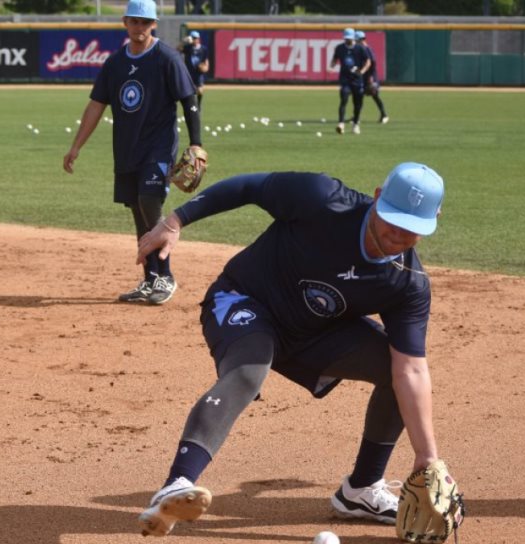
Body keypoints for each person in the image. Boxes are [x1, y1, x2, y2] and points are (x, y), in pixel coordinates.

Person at [133, 163, 453, 538]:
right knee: (249, 370)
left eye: (412, 227)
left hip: (315, 333)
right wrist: (174, 222)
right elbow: (248, 185)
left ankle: (362, 489)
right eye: (392, 219)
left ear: (434, 220)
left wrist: (426, 457)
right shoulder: (322, 199)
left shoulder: (408, 283)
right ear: (379, 197)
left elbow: (411, 370)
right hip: (246, 301)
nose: (398, 233)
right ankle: (177, 484)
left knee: (393, 371)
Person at [63, 0, 204, 305]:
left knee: (149, 201)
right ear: (125, 23)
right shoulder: (114, 64)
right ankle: (150, 278)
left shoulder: (166, 57)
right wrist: (76, 147)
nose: (139, 28)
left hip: (159, 145)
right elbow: (96, 106)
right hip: (127, 149)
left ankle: (166, 275)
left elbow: (189, 99)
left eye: (145, 22)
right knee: (138, 212)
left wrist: (196, 143)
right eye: (134, 22)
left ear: (153, 24)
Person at [330, 28, 371, 136]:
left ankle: (356, 124)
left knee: (357, 104)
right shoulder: (340, 48)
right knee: (343, 99)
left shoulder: (360, 48)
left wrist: (362, 71)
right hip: (345, 79)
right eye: (346, 38)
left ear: (353, 38)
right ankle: (341, 124)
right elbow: (335, 58)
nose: (347, 40)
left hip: (357, 80)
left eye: (349, 38)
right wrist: (332, 65)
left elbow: (368, 61)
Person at [355, 30, 389, 124]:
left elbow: (372, 63)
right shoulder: (361, 49)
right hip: (364, 76)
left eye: (356, 40)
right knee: (359, 96)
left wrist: (370, 77)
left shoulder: (366, 49)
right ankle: (356, 117)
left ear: (359, 40)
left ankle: (384, 115)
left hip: (370, 76)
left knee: (375, 95)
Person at [180, 31, 209, 109]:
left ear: (198, 39)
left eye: (195, 38)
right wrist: (183, 42)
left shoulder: (203, 49)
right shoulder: (187, 47)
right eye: (193, 38)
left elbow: (206, 60)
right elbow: (177, 49)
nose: (194, 39)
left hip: (198, 73)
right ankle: (192, 106)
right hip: (189, 72)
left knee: (199, 90)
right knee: (190, 91)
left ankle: (198, 105)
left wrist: (206, 67)